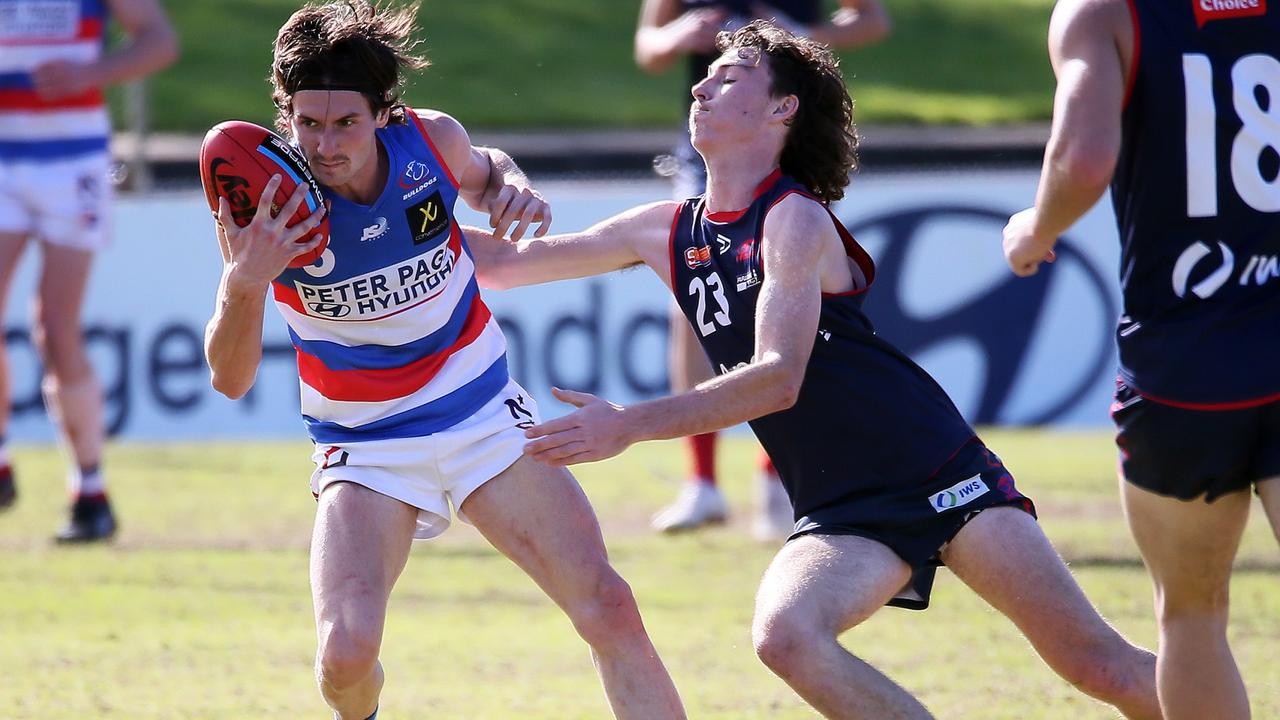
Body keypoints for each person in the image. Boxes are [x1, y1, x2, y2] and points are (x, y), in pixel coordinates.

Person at [470, 20, 1161, 719]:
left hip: (934, 468)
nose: (701, 84)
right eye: (706, 75)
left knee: (1099, 667)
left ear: (782, 108)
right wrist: (438, 178)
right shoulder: (662, 227)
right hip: (841, 507)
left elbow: (778, 377)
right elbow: (499, 263)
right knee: (787, 638)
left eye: (729, 76)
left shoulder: (793, 219)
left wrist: (629, 424)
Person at [202, 3, 685, 719]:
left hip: (483, 416)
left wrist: (511, 184)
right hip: (366, 446)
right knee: (344, 656)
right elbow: (229, 378)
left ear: (384, 113)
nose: (325, 145)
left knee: (608, 607)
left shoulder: (432, 142)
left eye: (345, 124)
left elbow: (488, 173)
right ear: (286, 116)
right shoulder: (264, 208)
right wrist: (244, 283)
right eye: (307, 124)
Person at [1002, 1, 1279, 718]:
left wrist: (1036, 229)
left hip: (1184, 367)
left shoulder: (1106, 12)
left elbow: (1085, 157)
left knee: (1191, 615)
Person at [635, 0, 891, 538]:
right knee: (692, 301)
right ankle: (701, 481)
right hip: (708, 157)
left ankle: (781, 476)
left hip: (780, 148)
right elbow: (649, 49)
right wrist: (680, 36)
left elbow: (872, 21)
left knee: (787, 301)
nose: (701, 88)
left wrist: (803, 35)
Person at [0, 0, 178, 540]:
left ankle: (90, 490)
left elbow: (158, 40)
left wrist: (89, 72)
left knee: (55, 329)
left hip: (73, 162)